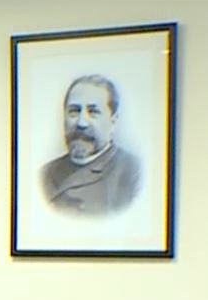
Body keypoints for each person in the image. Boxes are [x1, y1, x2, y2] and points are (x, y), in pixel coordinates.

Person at [40, 74, 141, 215]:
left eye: (93, 112)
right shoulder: (45, 173)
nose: (81, 123)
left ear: (113, 121)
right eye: (74, 111)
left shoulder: (132, 173)